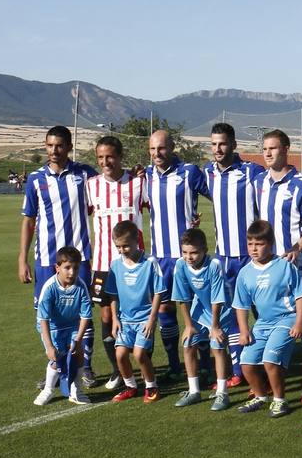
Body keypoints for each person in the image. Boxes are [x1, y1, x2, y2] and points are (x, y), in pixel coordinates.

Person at [18, 125, 97, 388]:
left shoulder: (85, 174)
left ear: (69, 147)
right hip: (46, 260)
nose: (54, 150)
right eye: (50, 145)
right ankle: (56, 365)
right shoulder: (35, 179)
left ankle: (85, 367)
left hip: (80, 259)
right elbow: (29, 221)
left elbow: (110, 188)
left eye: (60, 145)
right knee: (47, 315)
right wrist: (22, 258)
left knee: (83, 312)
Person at [254, 129, 302, 402]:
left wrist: (297, 247)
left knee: (301, 320)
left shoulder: (301, 184)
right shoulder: (259, 181)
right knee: (267, 317)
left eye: (273, 148)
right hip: (266, 265)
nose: (268, 153)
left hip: (294, 264)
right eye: (265, 149)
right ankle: (272, 375)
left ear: (286, 149)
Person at [202, 121, 266, 386]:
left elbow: (275, 180)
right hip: (224, 257)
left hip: (251, 256)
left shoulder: (251, 171)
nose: (218, 149)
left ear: (234, 144)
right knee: (229, 315)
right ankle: (239, 370)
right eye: (214, 144)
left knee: (261, 313)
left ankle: (264, 364)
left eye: (223, 144)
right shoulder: (207, 172)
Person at [143, 129, 209, 382]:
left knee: (198, 309)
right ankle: (174, 365)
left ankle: (206, 364)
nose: (156, 153)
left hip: (188, 257)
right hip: (160, 258)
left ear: (172, 148)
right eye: (152, 149)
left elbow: (217, 193)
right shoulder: (146, 175)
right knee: (165, 310)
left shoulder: (189, 172)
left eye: (161, 148)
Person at [232, 219, 302, 419]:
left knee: (270, 360)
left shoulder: (285, 266)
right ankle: (260, 397)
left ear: (270, 244)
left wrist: (299, 322)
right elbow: (241, 305)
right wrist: (244, 330)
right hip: (262, 323)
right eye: (250, 244)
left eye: (259, 244)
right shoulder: (245, 273)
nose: (254, 249)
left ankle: (280, 400)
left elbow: (301, 295)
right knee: (246, 363)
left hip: (286, 319)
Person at [85, 134, 146, 391]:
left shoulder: (138, 182)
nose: (105, 162)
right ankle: (117, 370)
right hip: (103, 263)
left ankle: (143, 365)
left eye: (109, 156)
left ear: (120, 156)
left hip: (134, 264)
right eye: (100, 157)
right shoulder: (91, 186)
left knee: (137, 313)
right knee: (107, 314)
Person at [171, 227, 236, 410]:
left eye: (193, 253)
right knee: (188, 343)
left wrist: (215, 327)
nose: (189, 257)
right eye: (185, 252)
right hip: (200, 307)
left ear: (204, 250)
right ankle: (194, 391)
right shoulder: (181, 265)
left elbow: (217, 299)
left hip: (221, 309)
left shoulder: (214, 265)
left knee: (217, 347)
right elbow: (182, 297)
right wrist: (188, 325)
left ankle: (222, 393)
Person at [104, 220, 169, 403]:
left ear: (137, 241)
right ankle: (130, 386)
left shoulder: (150, 262)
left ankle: (152, 387)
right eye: (118, 247)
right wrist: (115, 319)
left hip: (144, 319)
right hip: (125, 320)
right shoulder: (115, 265)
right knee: (120, 354)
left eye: (126, 246)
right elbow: (113, 294)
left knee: (140, 354)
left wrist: (152, 319)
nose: (122, 250)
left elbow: (158, 292)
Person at [32, 246, 93, 406]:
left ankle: (76, 391)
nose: (72, 272)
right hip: (52, 328)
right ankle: (48, 389)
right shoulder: (49, 288)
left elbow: (85, 316)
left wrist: (78, 340)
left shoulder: (81, 287)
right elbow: (43, 319)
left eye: (76, 268)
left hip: (72, 326)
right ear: (57, 268)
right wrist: (49, 346)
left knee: (78, 354)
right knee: (57, 358)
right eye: (67, 268)